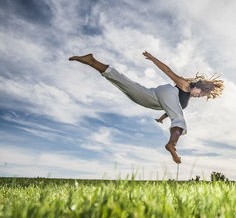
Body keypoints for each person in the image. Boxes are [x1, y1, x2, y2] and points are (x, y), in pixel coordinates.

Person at [69, 52, 224, 164]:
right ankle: (172, 145)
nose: (199, 95)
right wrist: (153, 58)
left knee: (128, 86)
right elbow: (168, 71)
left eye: (202, 96)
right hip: (166, 91)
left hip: (154, 99)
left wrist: (161, 118)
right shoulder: (185, 85)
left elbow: (169, 108)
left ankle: (92, 61)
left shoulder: (184, 100)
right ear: (199, 85)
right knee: (179, 119)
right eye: (201, 92)